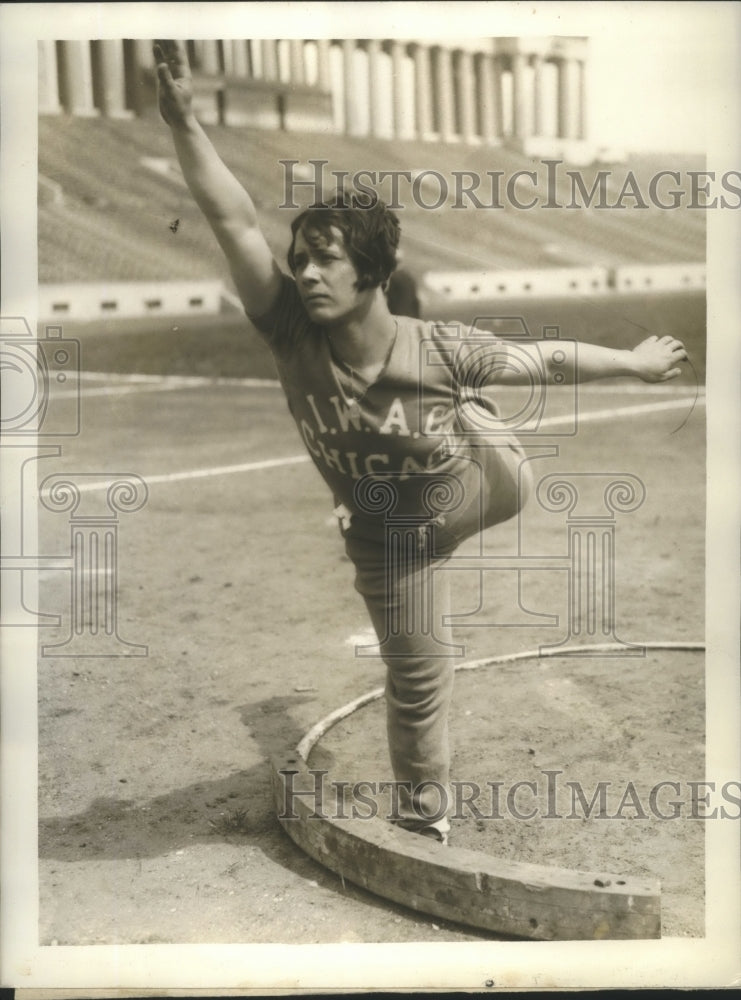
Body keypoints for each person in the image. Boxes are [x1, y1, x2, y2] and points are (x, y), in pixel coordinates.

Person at [154, 40, 688, 845]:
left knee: (480, 413)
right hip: (391, 534)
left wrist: (635, 363)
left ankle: (470, 415)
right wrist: (185, 121)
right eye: (299, 259)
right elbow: (230, 216)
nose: (304, 273)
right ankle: (425, 821)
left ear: (369, 271)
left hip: (484, 485)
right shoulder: (287, 332)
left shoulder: (437, 347)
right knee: (417, 671)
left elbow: (545, 356)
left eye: (325, 260)